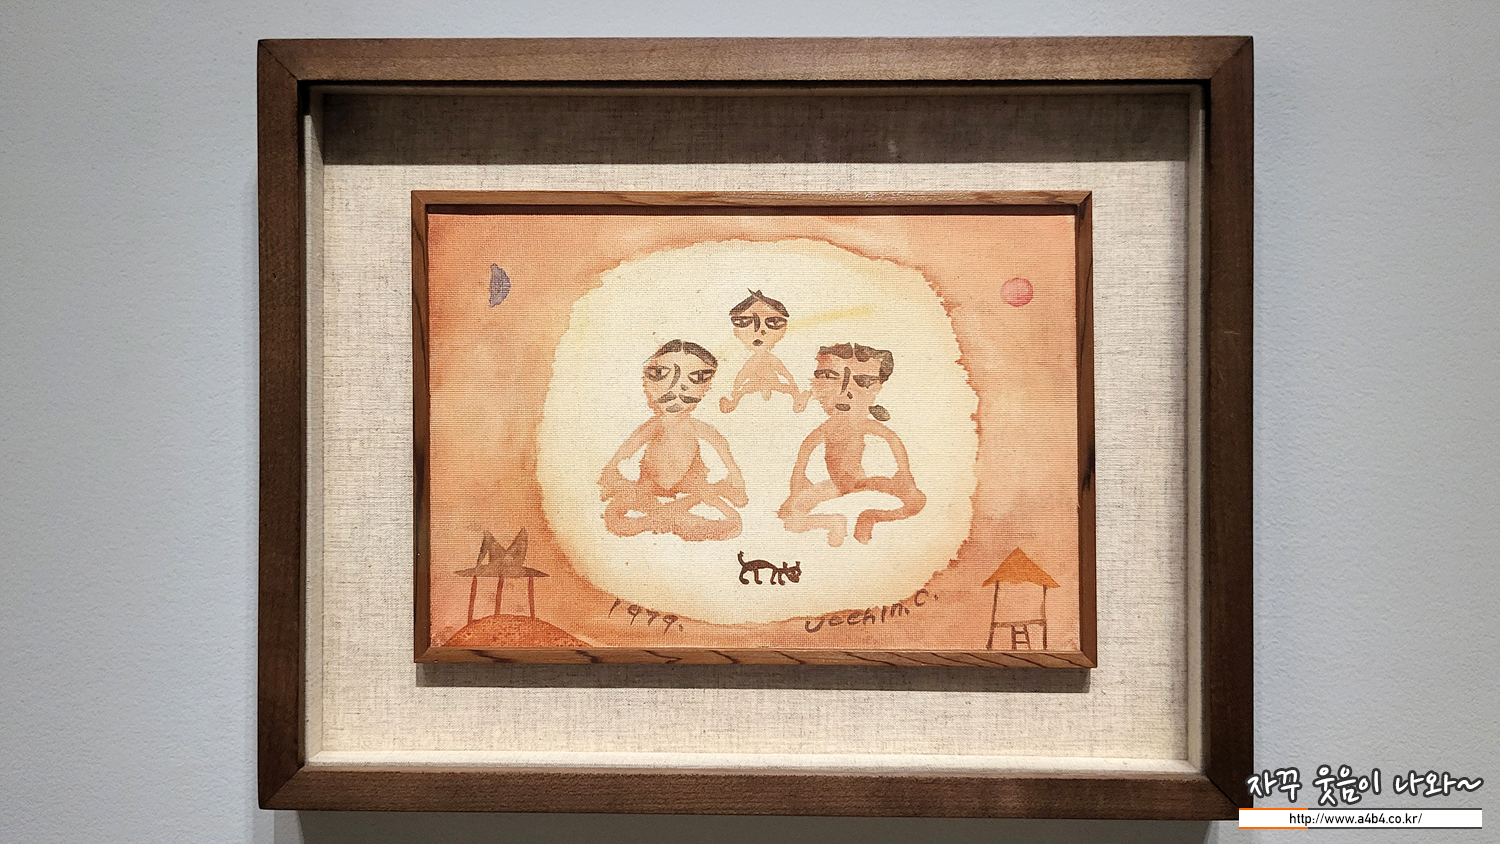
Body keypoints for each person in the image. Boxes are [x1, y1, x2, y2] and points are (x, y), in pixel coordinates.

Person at [599, 340, 748, 541]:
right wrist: (611, 468)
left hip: (691, 484)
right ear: (649, 383)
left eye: (694, 380)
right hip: (649, 485)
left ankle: (665, 517)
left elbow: (719, 444)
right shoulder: (655, 426)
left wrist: (735, 475)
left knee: (733, 522)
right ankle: (673, 517)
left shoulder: (696, 426)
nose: (676, 396)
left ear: (705, 388)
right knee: (614, 518)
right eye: (662, 377)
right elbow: (630, 446)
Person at [778, 343, 925, 546]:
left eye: (861, 383)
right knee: (787, 515)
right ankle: (832, 522)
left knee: (917, 501)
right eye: (832, 379)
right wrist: (798, 477)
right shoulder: (828, 426)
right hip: (836, 485)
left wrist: (904, 473)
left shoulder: (861, 423)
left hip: (862, 483)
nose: (845, 393)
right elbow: (807, 447)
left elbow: (892, 438)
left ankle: (870, 517)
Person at [718, 290, 808, 413]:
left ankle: (798, 397)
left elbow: (783, 371)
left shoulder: (768, 359)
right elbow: (743, 374)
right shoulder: (757, 361)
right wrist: (736, 388)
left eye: (773, 322)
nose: (758, 332)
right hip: (757, 382)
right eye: (744, 322)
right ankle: (733, 402)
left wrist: (792, 384)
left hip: (771, 381)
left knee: (743, 391)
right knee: (742, 391)